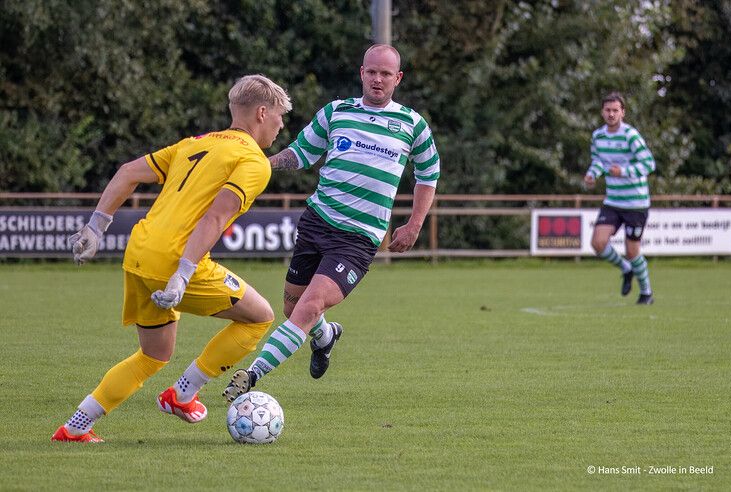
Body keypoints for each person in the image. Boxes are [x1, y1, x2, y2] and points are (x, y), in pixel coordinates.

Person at [51, 75, 292, 442]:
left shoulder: (196, 143)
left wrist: (95, 228)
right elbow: (215, 217)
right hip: (175, 260)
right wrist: (182, 273)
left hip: (139, 252)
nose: (280, 126)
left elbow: (127, 172)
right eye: (279, 117)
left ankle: (75, 427)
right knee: (260, 317)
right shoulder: (253, 161)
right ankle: (182, 393)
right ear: (262, 113)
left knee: (153, 355)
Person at [223, 44, 441, 402]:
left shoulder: (412, 125)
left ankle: (253, 373)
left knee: (308, 308)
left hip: (358, 240)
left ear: (397, 79)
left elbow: (428, 174)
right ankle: (325, 338)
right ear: (361, 73)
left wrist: (414, 224)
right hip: (317, 223)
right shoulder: (335, 112)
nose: (377, 79)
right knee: (293, 309)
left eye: (385, 74)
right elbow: (300, 154)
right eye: (371, 71)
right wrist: (259, 164)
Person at [584, 92, 655, 305]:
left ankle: (646, 293)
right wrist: (591, 174)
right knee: (597, 243)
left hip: (636, 202)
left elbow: (649, 164)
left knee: (632, 251)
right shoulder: (598, 136)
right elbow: (598, 161)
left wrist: (623, 171)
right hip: (613, 200)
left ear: (622, 112)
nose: (611, 114)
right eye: (608, 110)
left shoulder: (630, 135)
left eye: (616, 110)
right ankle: (626, 269)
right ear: (602, 112)